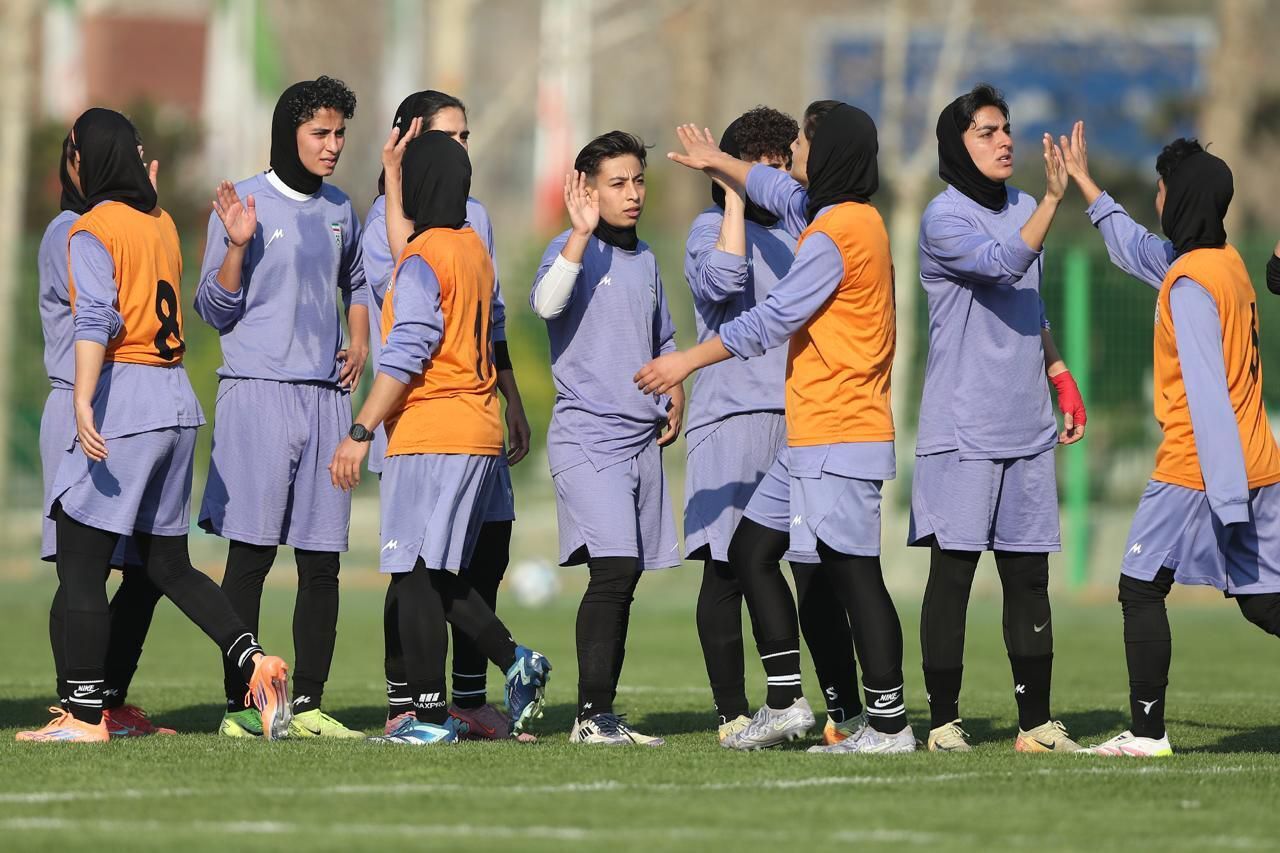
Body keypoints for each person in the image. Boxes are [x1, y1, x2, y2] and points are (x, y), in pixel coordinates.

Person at [640, 103, 915, 754]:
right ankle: (787, 702)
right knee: (751, 552)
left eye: (805, 145)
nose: (795, 158)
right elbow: (774, 187)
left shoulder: (835, 234)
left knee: (855, 576)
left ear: (833, 153)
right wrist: (720, 162)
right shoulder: (837, 215)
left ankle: (889, 724)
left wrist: (685, 360)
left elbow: (772, 319)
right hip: (812, 432)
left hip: (841, 430)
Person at [18, 108, 290, 743]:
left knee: (80, 566)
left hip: (124, 401)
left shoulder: (89, 228)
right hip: (175, 402)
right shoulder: (161, 221)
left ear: (89, 161)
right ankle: (254, 662)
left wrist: (84, 401)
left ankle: (85, 715)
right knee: (166, 564)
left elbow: (97, 320)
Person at [1059, 123, 1280, 756]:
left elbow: (1207, 396)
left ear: (1178, 198)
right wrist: (1088, 186)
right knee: (1265, 603)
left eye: (1161, 189)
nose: (1156, 199)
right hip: (1260, 462)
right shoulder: (1223, 263)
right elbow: (1135, 249)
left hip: (1200, 466)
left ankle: (1147, 733)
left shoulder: (1189, 286)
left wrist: (1226, 497)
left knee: (1139, 585)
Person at [328, 130, 550, 746]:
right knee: (436, 573)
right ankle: (513, 662)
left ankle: (428, 719)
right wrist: (394, 172)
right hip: (475, 429)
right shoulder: (467, 246)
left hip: (431, 431)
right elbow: (413, 248)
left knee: (415, 576)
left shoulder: (425, 261)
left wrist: (359, 430)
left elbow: (406, 351)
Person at [909, 83, 1084, 753]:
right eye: (987, 131)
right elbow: (1004, 266)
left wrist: (1059, 374)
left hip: (1027, 425)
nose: (1004, 140)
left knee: (1029, 578)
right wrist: (1053, 202)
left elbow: (1030, 305)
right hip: (963, 428)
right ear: (957, 145)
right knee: (953, 575)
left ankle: (1035, 725)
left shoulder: (1024, 207)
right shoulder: (943, 217)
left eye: (1006, 128)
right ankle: (943, 723)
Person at [681, 107, 863, 745]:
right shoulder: (708, 227)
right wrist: (733, 196)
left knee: (815, 570)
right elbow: (725, 281)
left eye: (783, 165)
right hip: (729, 418)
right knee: (728, 567)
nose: (776, 177)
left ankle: (845, 713)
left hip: (801, 415)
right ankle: (735, 713)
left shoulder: (802, 227)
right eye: (761, 167)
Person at [194, 76, 366, 739]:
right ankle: (243, 706)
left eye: (340, 133)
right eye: (320, 132)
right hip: (257, 394)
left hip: (325, 400)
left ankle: (308, 704)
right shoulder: (243, 203)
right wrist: (238, 245)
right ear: (287, 132)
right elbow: (213, 308)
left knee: (322, 562)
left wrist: (359, 336)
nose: (332, 145)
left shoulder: (341, 207)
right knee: (253, 557)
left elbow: (356, 279)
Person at [530, 131, 682, 746]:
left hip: (641, 441)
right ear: (587, 191)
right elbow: (546, 305)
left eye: (638, 180)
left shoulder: (646, 260)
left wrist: (675, 388)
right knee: (614, 569)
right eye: (618, 183)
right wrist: (577, 235)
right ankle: (591, 718)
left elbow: (664, 339)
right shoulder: (569, 249)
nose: (633, 193)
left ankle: (600, 715)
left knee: (625, 576)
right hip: (587, 440)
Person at [35, 130, 170, 737]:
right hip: (81, 403)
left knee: (150, 567)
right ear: (78, 163)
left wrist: (144, 223)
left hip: (125, 405)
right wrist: (139, 232)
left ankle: (106, 699)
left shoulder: (127, 224)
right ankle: (78, 704)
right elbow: (102, 314)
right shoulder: (72, 230)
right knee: (80, 568)